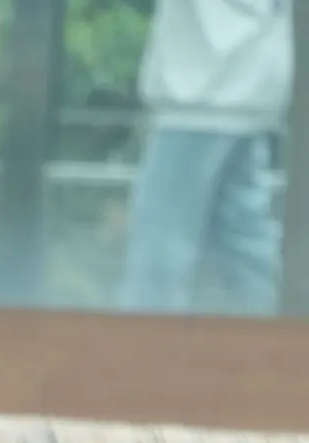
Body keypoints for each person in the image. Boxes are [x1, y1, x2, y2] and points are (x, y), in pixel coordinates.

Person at [120, 0, 292, 313]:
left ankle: (144, 341)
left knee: (160, 253)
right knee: (246, 246)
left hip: (202, 92)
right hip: (246, 87)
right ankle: (280, 336)